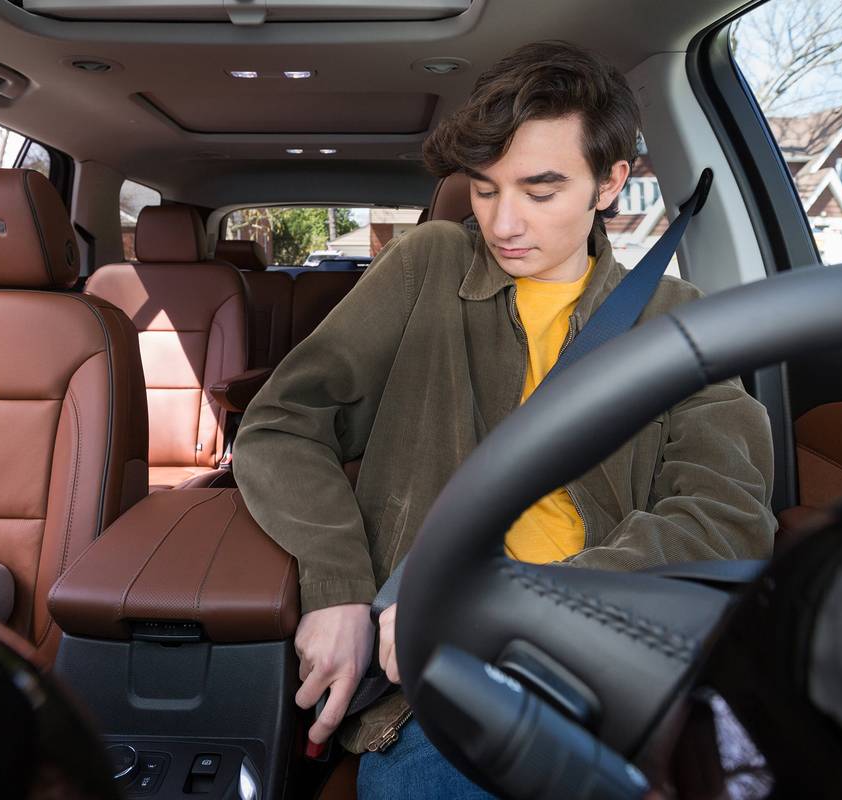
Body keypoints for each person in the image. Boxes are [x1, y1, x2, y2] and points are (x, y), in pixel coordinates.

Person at [233, 40, 776, 798]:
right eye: (484, 189)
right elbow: (281, 425)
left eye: (541, 189)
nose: (503, 221)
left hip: (611, 659)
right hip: (440, 675)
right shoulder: (427, 265)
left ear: (610, 183)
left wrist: (522, 604)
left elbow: (726, 516)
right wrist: (342, 590)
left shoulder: (676, 319)